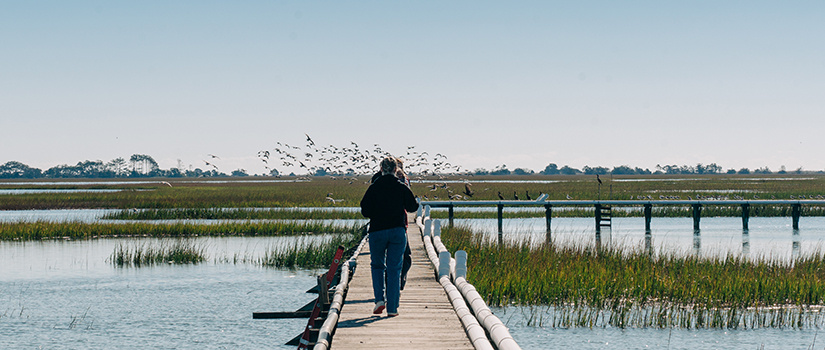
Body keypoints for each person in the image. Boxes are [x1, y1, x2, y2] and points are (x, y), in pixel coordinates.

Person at [361, 157, 419, 317]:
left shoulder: (373, 188)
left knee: (378, 266)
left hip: (377, 231)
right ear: (395, 170)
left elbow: (365, 211)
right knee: (395, 269)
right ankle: (392, 308)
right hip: (397, 231)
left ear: (381, 169)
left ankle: (379, 300)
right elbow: (412, 207)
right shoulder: (401, 188)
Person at [370, 158, 413, 290]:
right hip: (396, 227)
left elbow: (366, 208)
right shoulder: (397, 184)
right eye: (398, 168)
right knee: (400, 260)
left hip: (380, 228)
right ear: (394, 169)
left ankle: (381, 296)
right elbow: (412, 205)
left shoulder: (376, 183)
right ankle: (393, 292)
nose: (399, 171)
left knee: (380, 264)